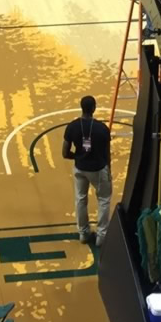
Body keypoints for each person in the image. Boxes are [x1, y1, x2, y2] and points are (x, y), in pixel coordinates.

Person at [63, 95, 112, 246]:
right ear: (94, 108)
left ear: (81, 107)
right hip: (98, 169)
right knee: (103, 200)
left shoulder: (72, 126)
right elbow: (107, 153)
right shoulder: (102, 129)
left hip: (80, 168)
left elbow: (65, 153)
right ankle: (101, 236)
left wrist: (78, 156)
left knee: (80, 199)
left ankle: (83, 233)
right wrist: (108, 170)